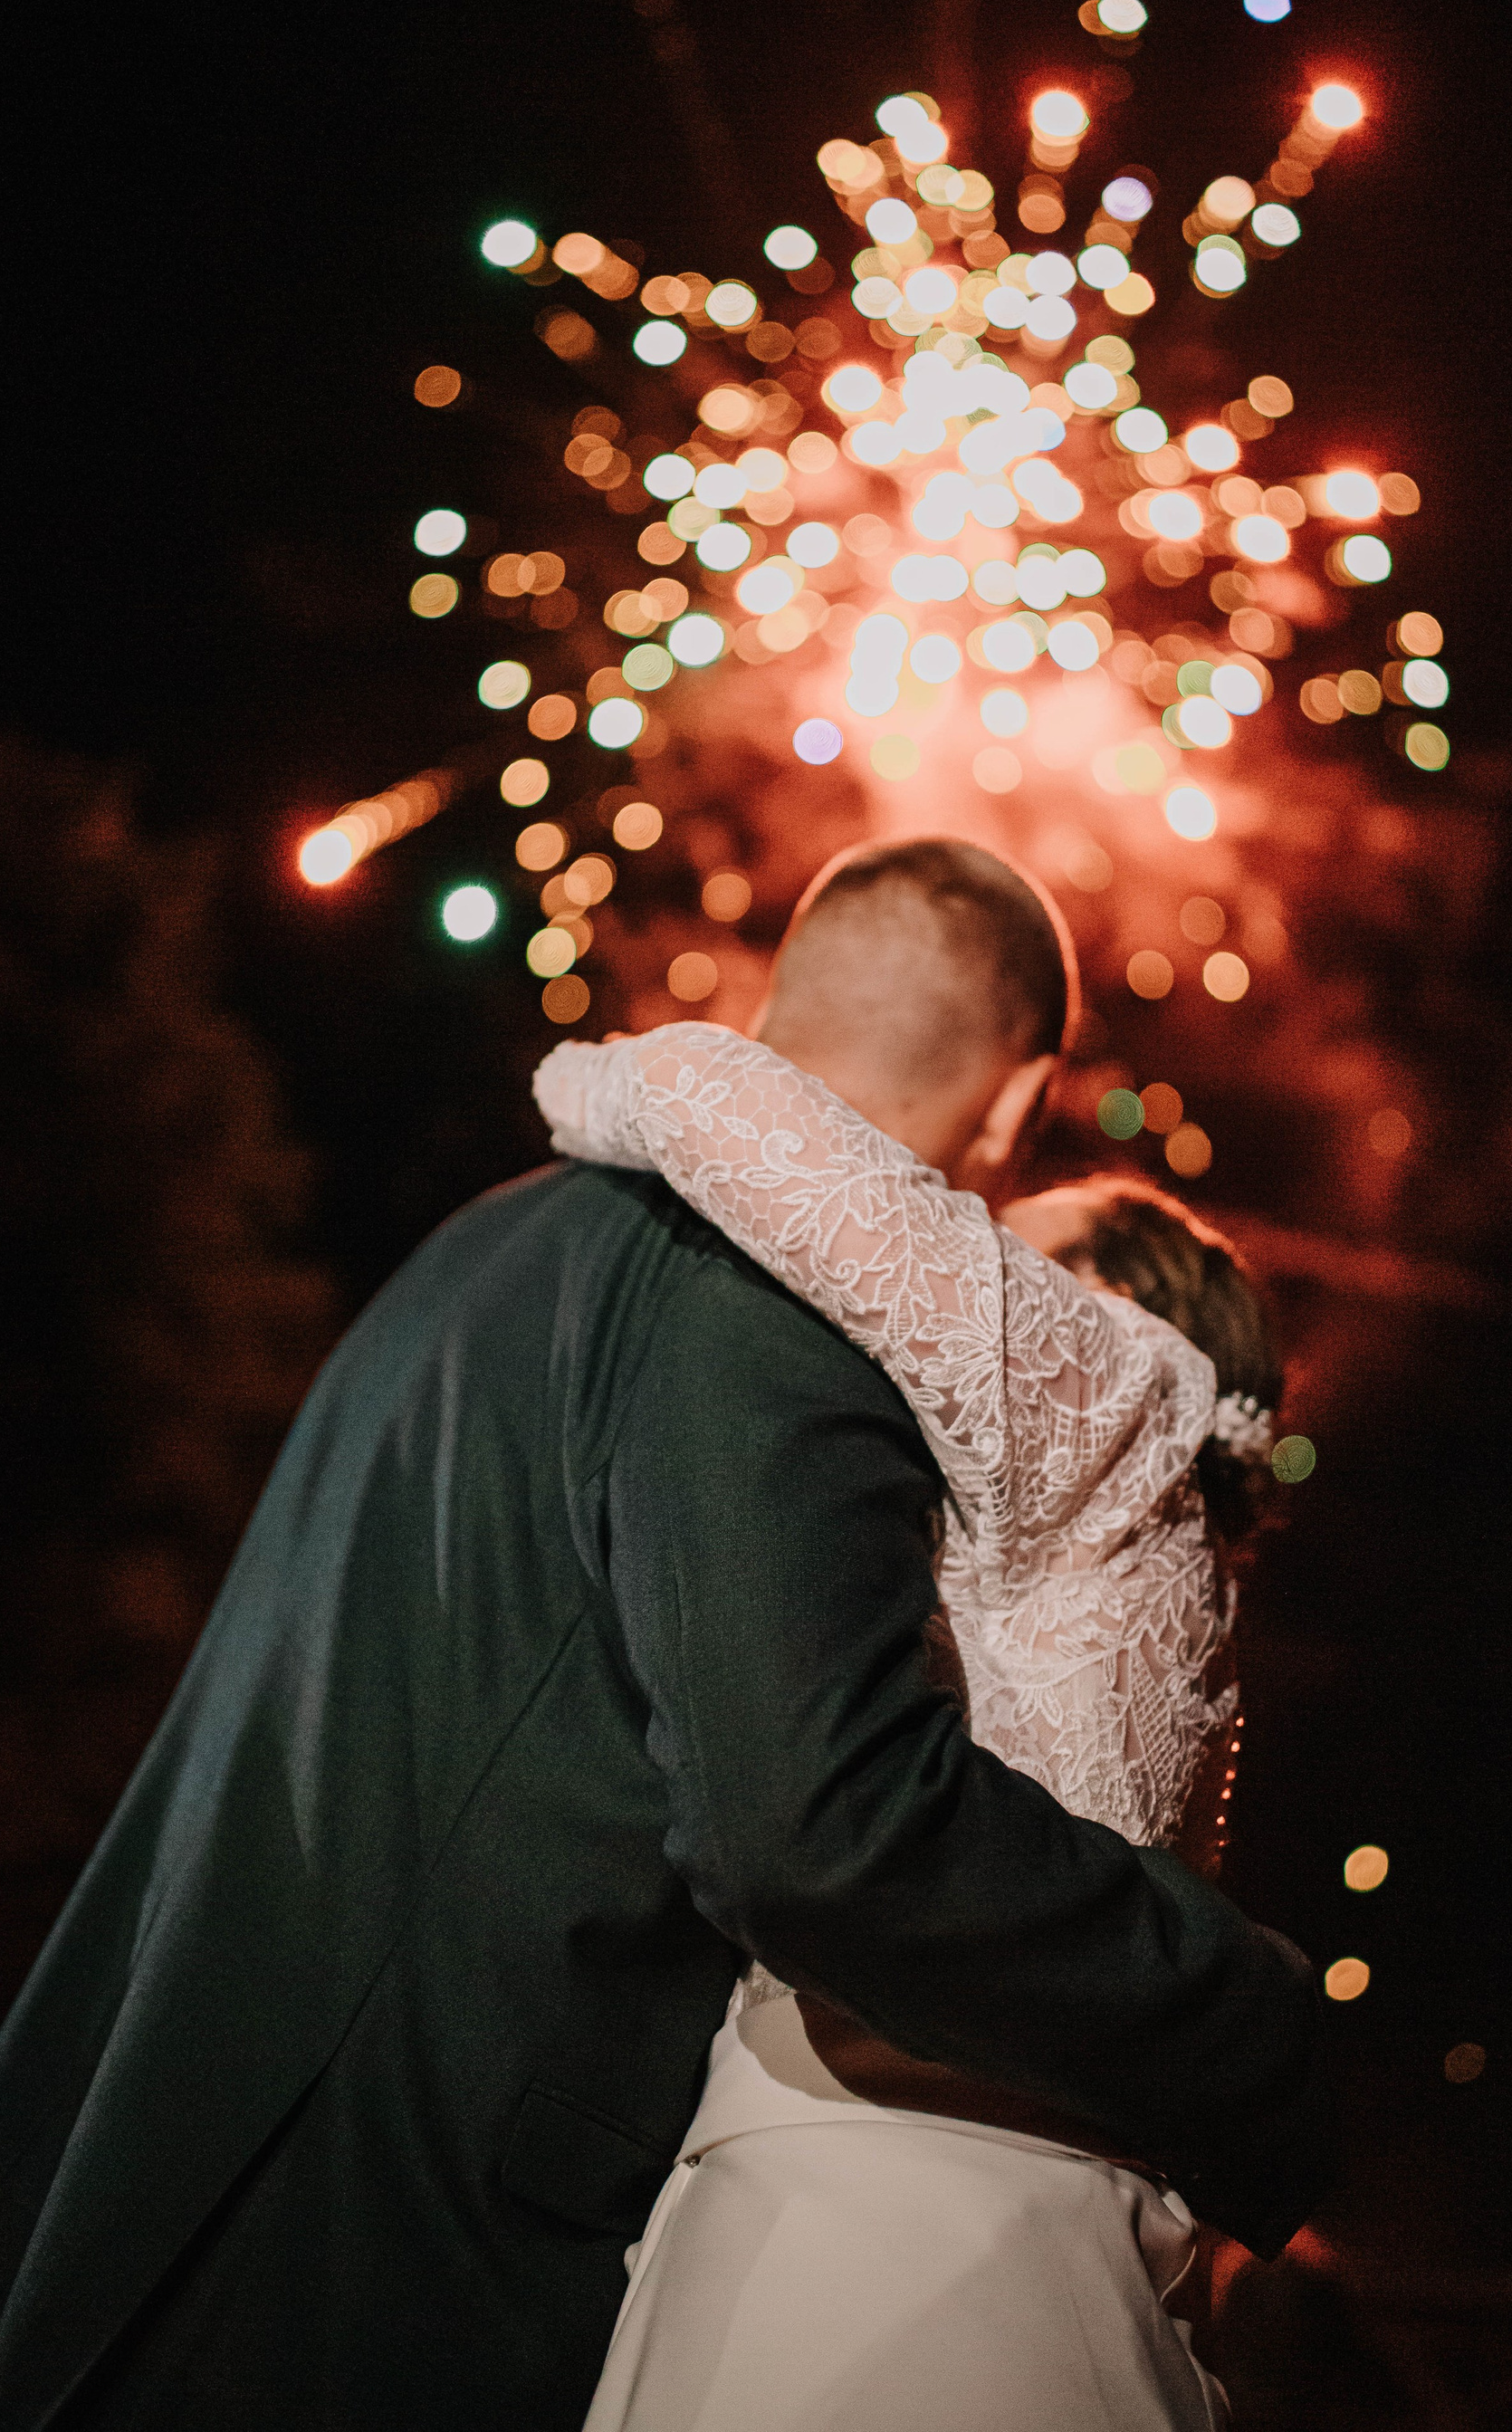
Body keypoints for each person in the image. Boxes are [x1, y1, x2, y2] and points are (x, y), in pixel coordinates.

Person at [0, 838, 1328, 2432]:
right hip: (395, 2258)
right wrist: (1252, 2027)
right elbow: (816, 1829)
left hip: (170, 2163)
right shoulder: (769, 1291)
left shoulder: (487, 1239)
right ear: (1017, 1100)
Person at [531, 1001, 1289, 2431]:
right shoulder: (1176, 1575)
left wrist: (569, 1080)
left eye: (1010, 1248)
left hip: (886, 2232)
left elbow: (704, 1087)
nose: (971, 1258)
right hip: (1063, 2223)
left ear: (1111, 1305)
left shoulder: (1098, 1383)